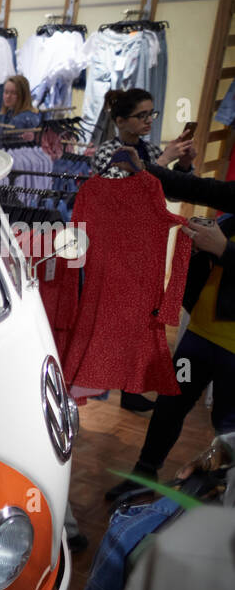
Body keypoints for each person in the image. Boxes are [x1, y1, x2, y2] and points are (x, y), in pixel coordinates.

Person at [103, 150, 235, 501]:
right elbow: (199, 188)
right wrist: (147, 169)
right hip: (201, 335)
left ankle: (223, 499)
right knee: (170, 405)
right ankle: (143, 474)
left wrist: (224, 250)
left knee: (228, 427)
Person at [92, 88, 195, 178]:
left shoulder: (152, 150)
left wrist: (184, 164)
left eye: (151, 114)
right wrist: (163, 160)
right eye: (142, 115)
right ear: (121, 122)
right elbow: (120, 193)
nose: (149, 120)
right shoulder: (107, 151)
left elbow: (172, 193)